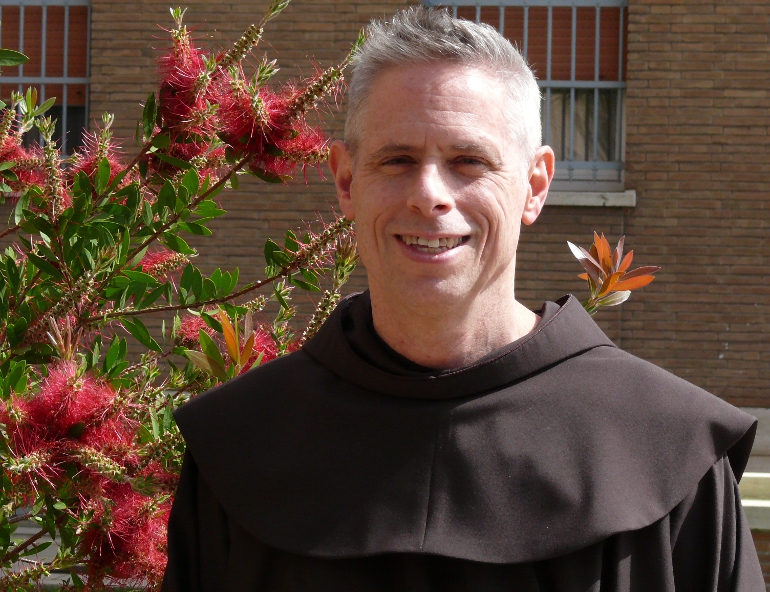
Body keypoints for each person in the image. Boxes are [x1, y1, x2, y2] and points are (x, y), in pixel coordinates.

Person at [161, 7, 764, 591]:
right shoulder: (242, 447)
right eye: (396, 159)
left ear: (534, 186)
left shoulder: (666, 449)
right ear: (346, 182)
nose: (429, 195)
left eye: (468, 161)